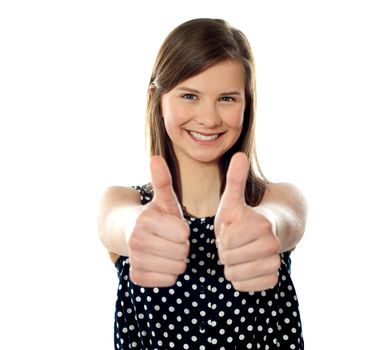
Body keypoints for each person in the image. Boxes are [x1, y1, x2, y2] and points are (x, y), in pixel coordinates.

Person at [98, 18, 307, 350]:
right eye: (190, 96)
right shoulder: (125, 204)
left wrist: (265, 227)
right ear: (158, 98)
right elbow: (117, 224)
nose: (209, 119)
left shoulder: (277, 199)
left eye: (227, 99)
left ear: (246, 104)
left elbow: (283, 220)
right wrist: (137, 229)